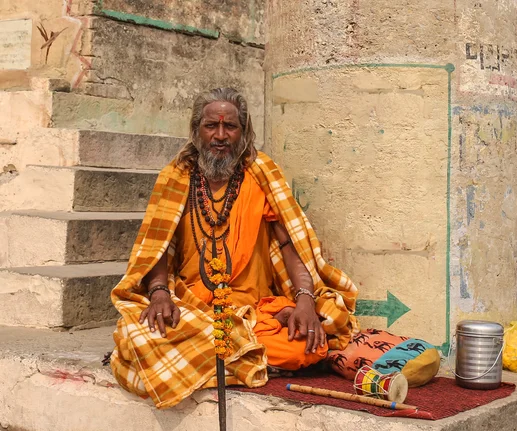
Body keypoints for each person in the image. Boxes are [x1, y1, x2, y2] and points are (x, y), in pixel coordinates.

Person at [109, 88, 359, 409]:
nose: (221, 135)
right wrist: (159, 293)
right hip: (191, 309)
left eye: (231, 127)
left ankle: (219, 358)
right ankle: (242, 358)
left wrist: (306, 299)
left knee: (307, 345)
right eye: (211, 126)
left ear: (244, 132)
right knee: (137, 336)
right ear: (196, 130)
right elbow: (160, 246)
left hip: (253, 309)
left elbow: (288, 243)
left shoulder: (261, 174)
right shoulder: (175, 178)